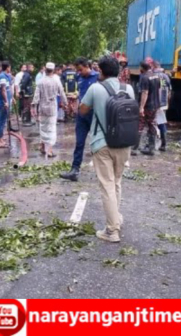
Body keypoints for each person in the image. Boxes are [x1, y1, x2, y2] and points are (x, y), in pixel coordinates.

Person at [79, 56, 135, 243]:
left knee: (107, 186)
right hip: (125, 142)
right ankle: (116, 218)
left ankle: (112, 231)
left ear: (101, 72)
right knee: (116, 182)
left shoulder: (95, 88)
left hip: (102, 144)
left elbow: (83, 110)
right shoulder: (129, 88)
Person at [60, 57, 100, 182]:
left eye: (80, 69)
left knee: (97, 144)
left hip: (95, 115)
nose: (79, 72)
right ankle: (74, 170)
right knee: (79, 143)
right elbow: (82, 92)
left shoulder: (99, 77)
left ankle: (103, 171)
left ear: (87, 66)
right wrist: (76, 95)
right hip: (82, 116)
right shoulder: (80, 78)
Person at [31, 62, 67, 158]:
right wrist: (65, 103)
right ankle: (49, 150)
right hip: (52, 107)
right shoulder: (56, 80)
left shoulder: (41, 81)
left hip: (42, 107)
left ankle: (42, 146)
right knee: (51, 128)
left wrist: (33, 106)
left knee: (43, 126)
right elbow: (62, 92)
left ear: (45, 70)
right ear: (53, 70)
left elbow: (36, 96)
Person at [134, 60, 161, 156]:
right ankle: (151, 148)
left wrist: (141, 107)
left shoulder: (144, 78)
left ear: (142, 68)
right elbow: (159, 90)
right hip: (155, 105)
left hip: (147, 106)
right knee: (151, 125)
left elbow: (145, 93)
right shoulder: (156, 76)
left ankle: (134, 149)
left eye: (139, 67)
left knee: (140, 125)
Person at [0, 61, 13, 148]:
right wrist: (6, 101)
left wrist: (11, 98)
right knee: (1, 122)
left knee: (3, 121)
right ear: (8, 67)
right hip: (2, 102)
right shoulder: (2, 77)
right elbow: (3, 90)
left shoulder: (5, 76)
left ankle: (0, 139)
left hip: (4, 101)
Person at [154, 62, 172, 151]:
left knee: (155, 122)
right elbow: (169, 91)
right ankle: (163, 143)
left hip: (155, 102)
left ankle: (156, 143)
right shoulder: (165, 76)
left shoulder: (153, 76)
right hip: (163, 103)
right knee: (161, 120)